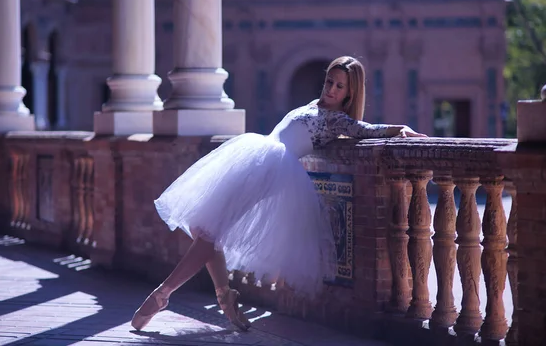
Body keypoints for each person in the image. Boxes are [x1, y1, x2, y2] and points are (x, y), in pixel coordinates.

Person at [131, 56, 427, 332]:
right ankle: (225, 297)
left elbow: (367, 130)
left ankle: (163, 293)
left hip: (271, 169)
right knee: (204, 228)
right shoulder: (316, 106)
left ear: (350, 94)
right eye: (329, 82)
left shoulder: (337, 120)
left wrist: (402, 130)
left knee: (209, 232)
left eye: (339, 87)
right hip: (255, 156)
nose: (331, 90)